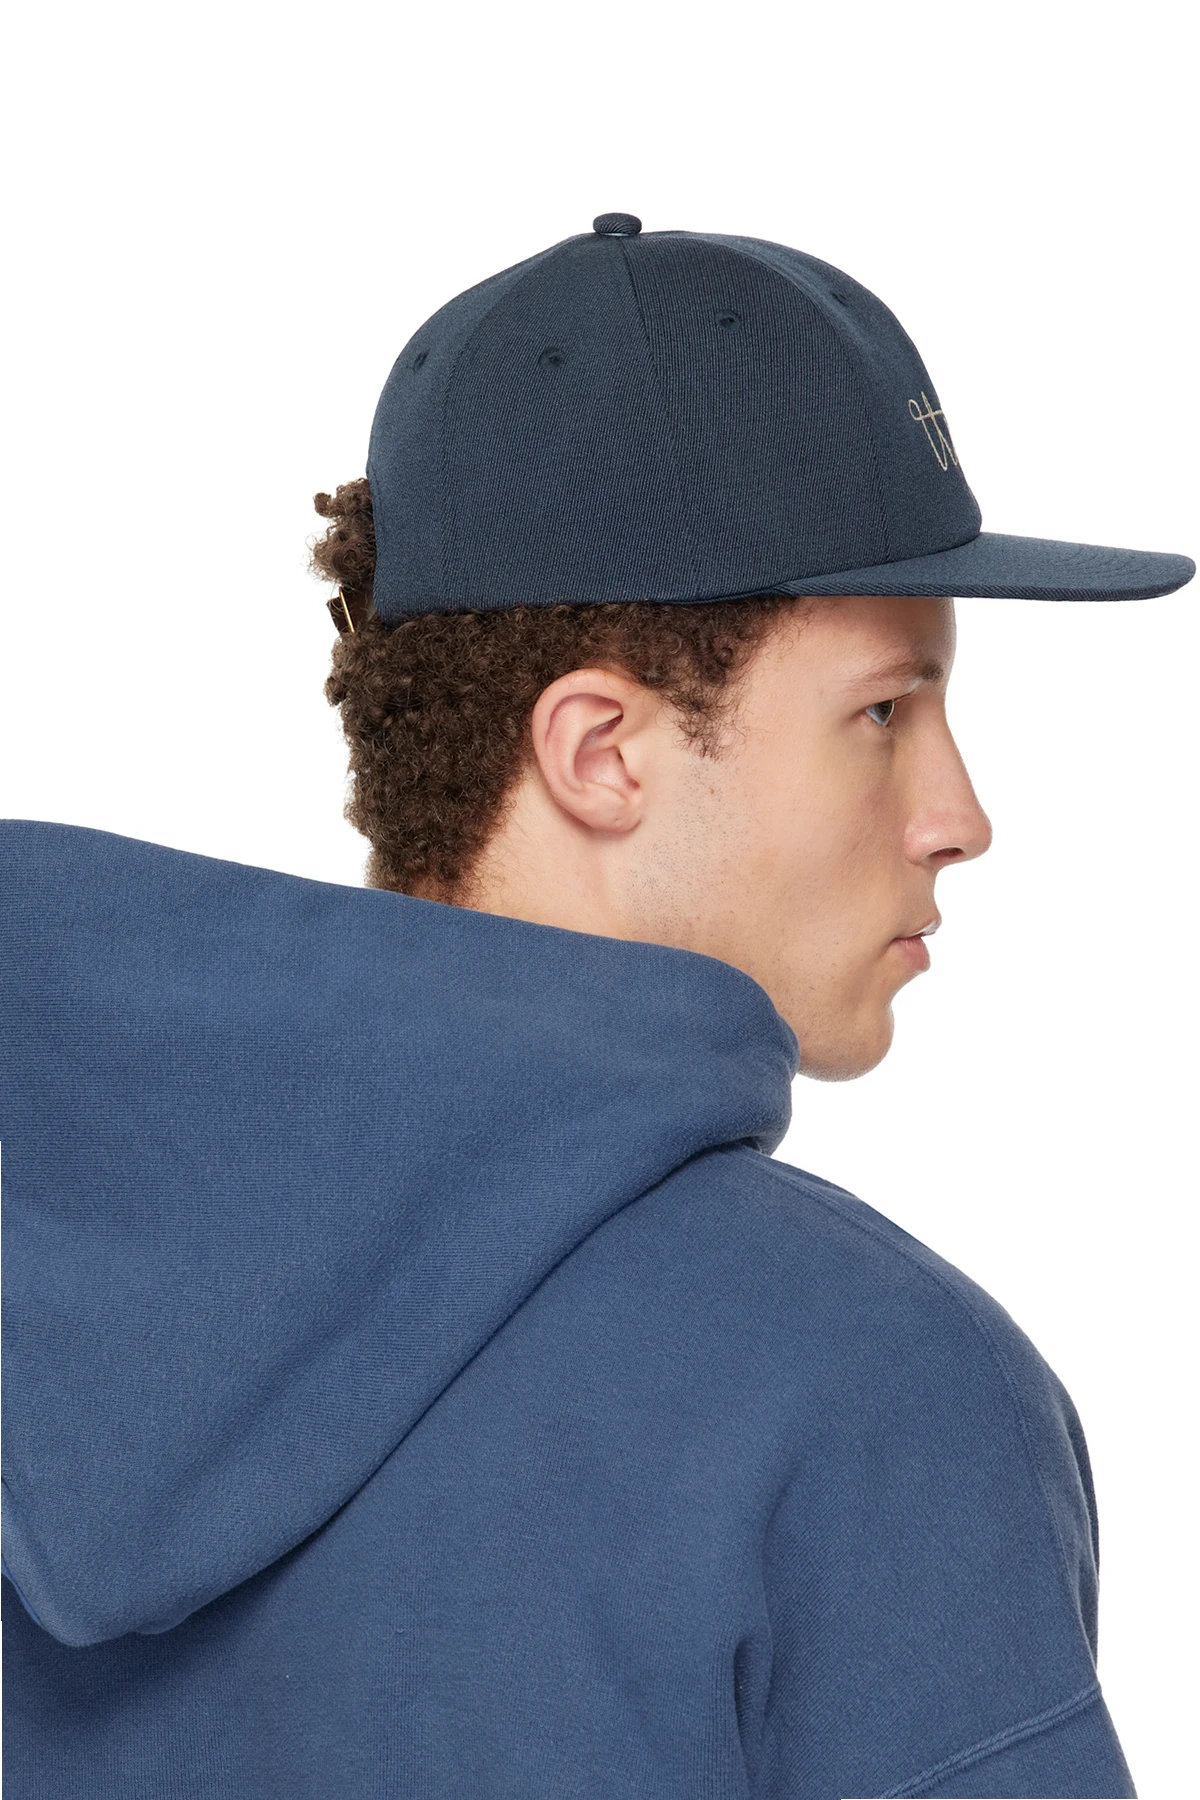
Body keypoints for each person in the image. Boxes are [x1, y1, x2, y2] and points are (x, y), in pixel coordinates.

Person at [1, 212, 1192, 1800]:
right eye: (884, 711)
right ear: (602, 752)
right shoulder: (865, 1386)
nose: (959, 815)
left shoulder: (44, 1299)